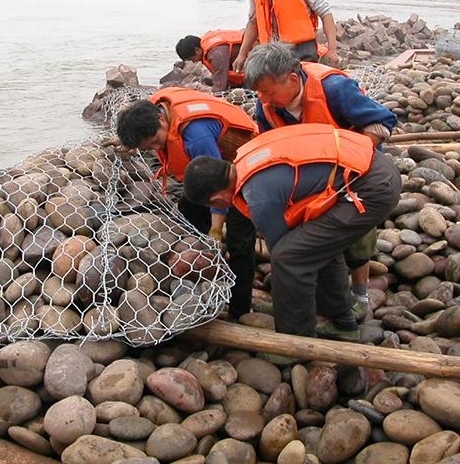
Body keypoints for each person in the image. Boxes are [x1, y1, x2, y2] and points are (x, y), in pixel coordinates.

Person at [183, 123, 401, 342]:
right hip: (372, 166)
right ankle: (341, 323)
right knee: (314, 245)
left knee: (289, 257)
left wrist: (285, 304)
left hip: (372, 188)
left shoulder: (258, 195)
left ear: (216, 199)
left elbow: (285, 256)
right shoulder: (243, 159)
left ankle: (296, 340)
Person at [244, 41, 398, 319]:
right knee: (316, 240)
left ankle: (361, 295)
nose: (264, 99)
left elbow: (381, 123)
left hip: (357, 176)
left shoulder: (335, 89)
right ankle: (319, 297)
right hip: (310, 183)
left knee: (357, 241)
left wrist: (348, 162)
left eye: (268, 91)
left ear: (292, 79)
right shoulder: (266, 107)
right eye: (260, 93)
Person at [115, 87, 258, 320]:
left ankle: (239, 308)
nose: (155, 149)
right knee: (186, 210)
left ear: (161, 120)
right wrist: (127, 144)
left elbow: (219, 188)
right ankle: (208, 259)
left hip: (241, 171)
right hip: (215, 172)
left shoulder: (197, 136)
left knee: (240, 241)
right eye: (147, 148)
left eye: (155, 142)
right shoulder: (154, 111)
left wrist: (215, 229)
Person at [175, 30, 245, 92]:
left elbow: (219, 87)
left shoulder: (215, 54)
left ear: (197, 50)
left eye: (192, 59)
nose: (193, 62)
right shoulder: (205, 43)